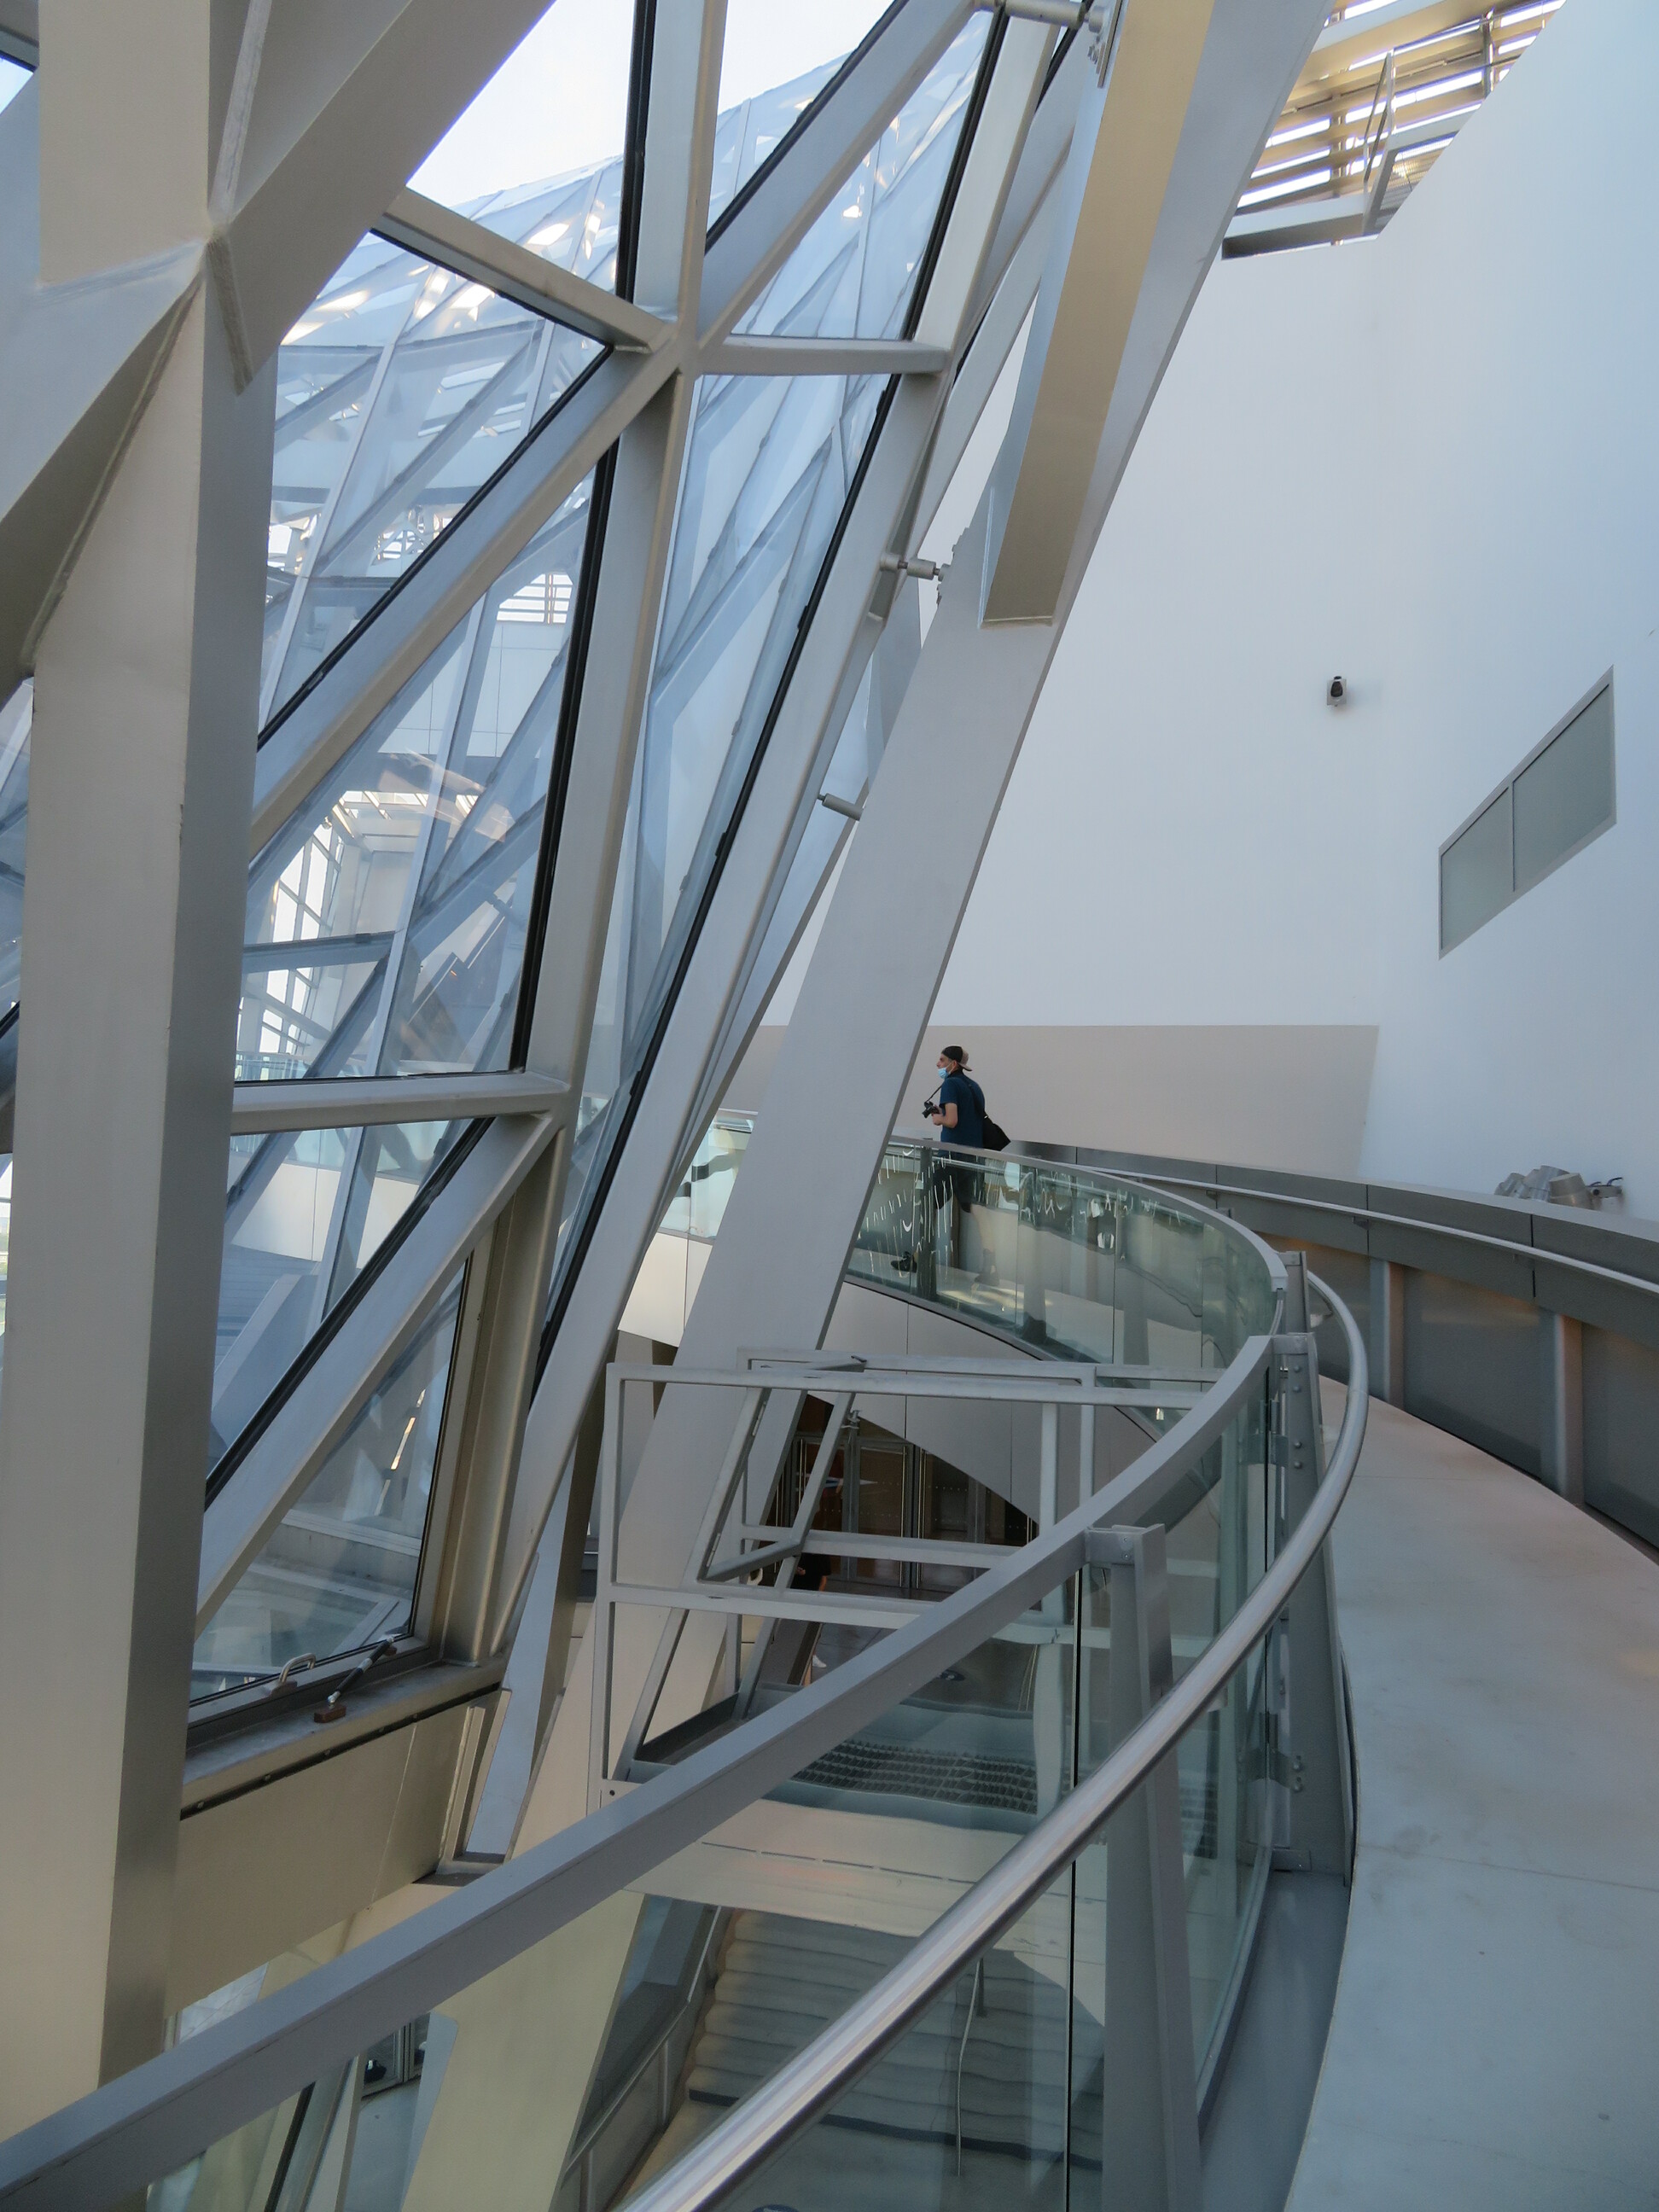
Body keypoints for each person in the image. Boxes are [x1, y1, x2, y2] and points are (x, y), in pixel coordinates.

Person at [927, 1045, 985, 1271]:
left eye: (942, 1060)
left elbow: (952, 1121)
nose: (938, 1064)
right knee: (977, 1209)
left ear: (953, 1064)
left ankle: (920, 1259)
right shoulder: (974, 1086)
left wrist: (938, 1119)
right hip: (973, 1157)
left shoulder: (950, 1084)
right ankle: (991, 1264)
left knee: (927, 1203)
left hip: (951, 1157)